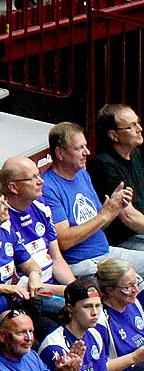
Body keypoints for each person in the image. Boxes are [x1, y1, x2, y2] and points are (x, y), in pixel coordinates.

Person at [42, 122, 144, 275]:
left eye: (86, 146)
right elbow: (63, 241)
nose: (87, 152)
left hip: (106, 252)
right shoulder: (48, 187)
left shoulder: (82, 174)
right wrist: (104, 214)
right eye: (79, 148)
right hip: (83, 263)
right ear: (60, 153)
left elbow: (99, 223)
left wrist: (115, 208)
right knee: (130, 281)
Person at [91, 104, 144, 249]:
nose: (139, 129)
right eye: (131, 126)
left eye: (138, 123)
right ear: (114, 135)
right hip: (123, 239)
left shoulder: (134, 154)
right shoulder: (104, 165)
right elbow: (129, 217)